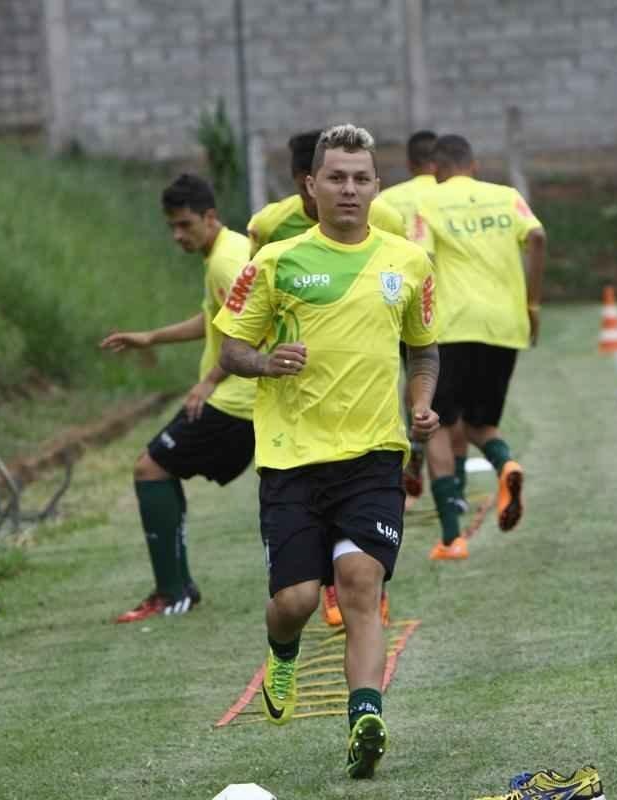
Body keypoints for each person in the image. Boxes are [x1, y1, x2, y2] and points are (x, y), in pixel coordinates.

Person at [215, 123, 439, 780]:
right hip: (292, 457)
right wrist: (265, 362)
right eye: (336, 177)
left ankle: (365, 719)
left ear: (377, 186)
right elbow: (231, 349)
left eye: (361, 178)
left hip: (373, 454)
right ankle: (281, 652)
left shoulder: (408, 261)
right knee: (297, 601)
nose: (349, 189)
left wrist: (421, 402)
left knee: (361, 584)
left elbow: (423, 351)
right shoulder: (274, 262)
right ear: (311, 186)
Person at [99, 174, 257, 623]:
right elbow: (216, 319)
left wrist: (209, 382)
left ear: (210, 217)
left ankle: (173, 592)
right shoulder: (226, 252)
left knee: (150, 468)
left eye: (185, 225)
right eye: (171, 226)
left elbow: (252, 329)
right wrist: (151, 337)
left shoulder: (227, 262)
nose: (177, 235)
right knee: (157, 468)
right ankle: (177, 587)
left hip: (236, 401)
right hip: (236, 396)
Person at [412, 134, 545, 560]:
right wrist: (532, 304)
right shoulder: (506, 197)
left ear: (436, 169)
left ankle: (452, 538)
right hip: (506, 324)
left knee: (437, 423)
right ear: (473, 165)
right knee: (479, 424)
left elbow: (420, 262)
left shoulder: (427, 203)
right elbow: (537, 237)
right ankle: (506, 464)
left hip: (453, 325)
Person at [379, 130, 443, 500]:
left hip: (399, 304)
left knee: (411, 381)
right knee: (450, 407)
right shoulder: (450, 195)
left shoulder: (386, 200)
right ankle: (453, 490)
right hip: (452, 311)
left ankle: (412, 455)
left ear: (409, 162)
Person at [246, 129, 406, 256]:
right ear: (308, 184)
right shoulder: (268, 225)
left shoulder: (387, 221)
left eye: (335, 180)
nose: (316, 199)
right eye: (305, 189)